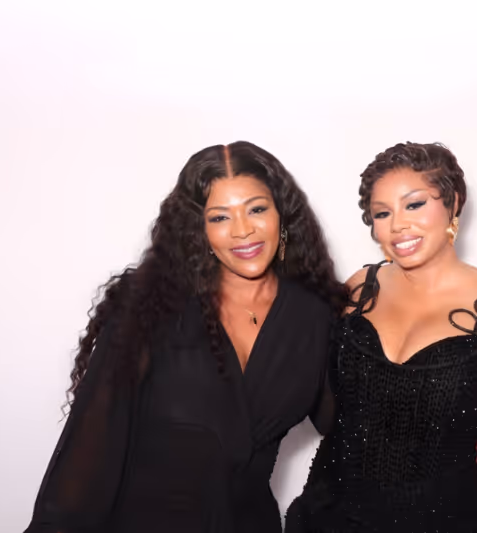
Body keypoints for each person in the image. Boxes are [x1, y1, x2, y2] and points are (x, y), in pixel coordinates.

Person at [24, 141, 346, 533]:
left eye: (257, 209)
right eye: (220, 217)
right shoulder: (149, 308)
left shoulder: (313, 315)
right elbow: (89, 451)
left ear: (283, 213)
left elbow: (349, 430)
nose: (243, 230)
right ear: (199, 229)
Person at [287, 142, 477, 532]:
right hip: (328, 516)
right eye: (381, 213)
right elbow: (313, 395)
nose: (397, 226)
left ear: (453, 202)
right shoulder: (358, 289)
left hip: (442, 520)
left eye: (414, 205)